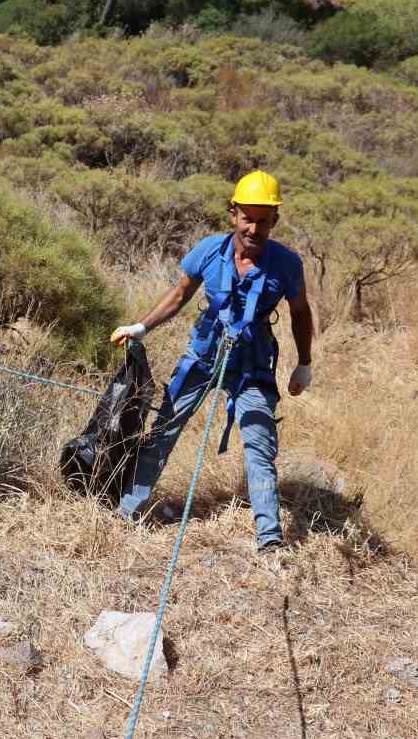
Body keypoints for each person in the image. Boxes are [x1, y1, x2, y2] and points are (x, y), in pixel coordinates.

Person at [109, 170, 314, 552]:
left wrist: (305, 362)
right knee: (164, 429)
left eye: (264, 221)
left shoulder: (286, 264)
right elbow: (179, 294)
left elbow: (301, 311)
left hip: (253, 363)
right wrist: (141, 326)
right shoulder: (208, 251)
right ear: (233, 213)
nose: (254, 229)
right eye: (247, 218)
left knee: (259, 440)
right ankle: (126, 511)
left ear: (275, 220)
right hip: (203, 356)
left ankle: (270, 540)